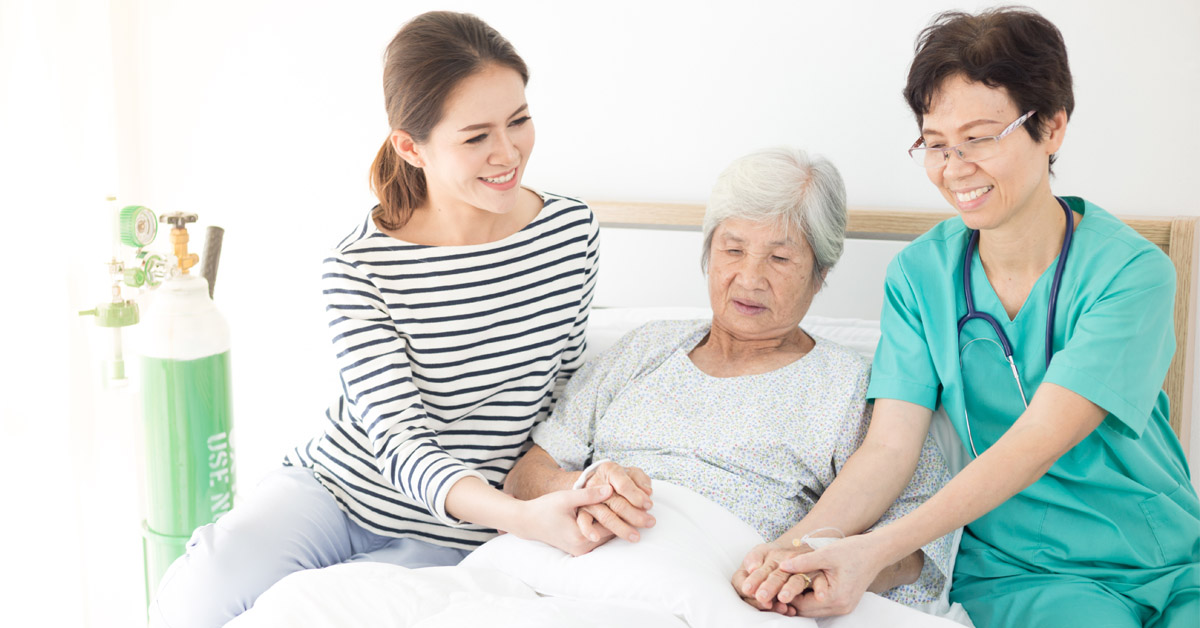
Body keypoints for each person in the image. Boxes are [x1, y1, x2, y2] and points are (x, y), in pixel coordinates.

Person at [745, 8, 1200, 627]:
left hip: (1160, 554)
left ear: (1053, 126)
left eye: (980, 138)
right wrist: (797, 546)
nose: (955, 168)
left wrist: (877, 547)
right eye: (935, 145)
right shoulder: (919, 275)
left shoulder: (1132, 274)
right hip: (1018, 569)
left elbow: (1038, 442)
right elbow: (888, 448)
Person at [151, 11, 607, 627]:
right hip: (338, 492)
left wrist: (541, 498)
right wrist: (522, 517)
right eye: (476, 137)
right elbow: (397, 440)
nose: (508, 153)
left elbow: (565, 394)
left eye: (519, 120)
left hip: (468, 527)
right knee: (199, 592)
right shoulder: (359, 266)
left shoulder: (570, 233)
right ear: (410, 146)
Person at [506, 147, 956, 615]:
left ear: (820, 273)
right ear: (708, 252)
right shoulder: (643, 349)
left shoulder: (851, 387)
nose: (749, 277)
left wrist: (813, 568)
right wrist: (586, 489)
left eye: (780, 258)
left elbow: (921, 549)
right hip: (563, 571)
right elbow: (523, 479)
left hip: (715, 589)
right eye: (733, 249)